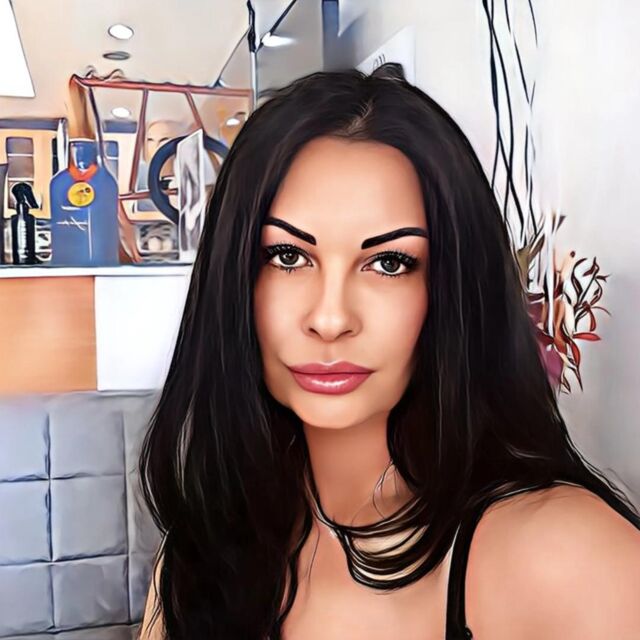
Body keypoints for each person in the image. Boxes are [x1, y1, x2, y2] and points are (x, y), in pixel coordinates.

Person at [136, 63, 640, 639]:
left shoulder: (571, 562)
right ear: (234, 280)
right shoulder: (198, 558)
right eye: (287, 257)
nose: (330, 319)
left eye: (389, 263)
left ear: (450, 290)